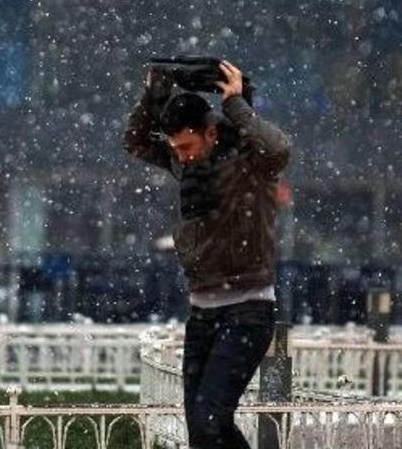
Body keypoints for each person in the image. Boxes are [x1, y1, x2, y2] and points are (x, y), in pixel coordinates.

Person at [124, 59, 291, 449]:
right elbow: (135, 141)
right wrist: (152, 96)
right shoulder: (184, 165)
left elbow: (279, 148)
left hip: (247, 310)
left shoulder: (250, 163)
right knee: (203, 432)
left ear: (211, 132)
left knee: (211, 421)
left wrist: (235, 103)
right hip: (202, 314)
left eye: (188, 146)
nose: (182, 156)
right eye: (175, 148)